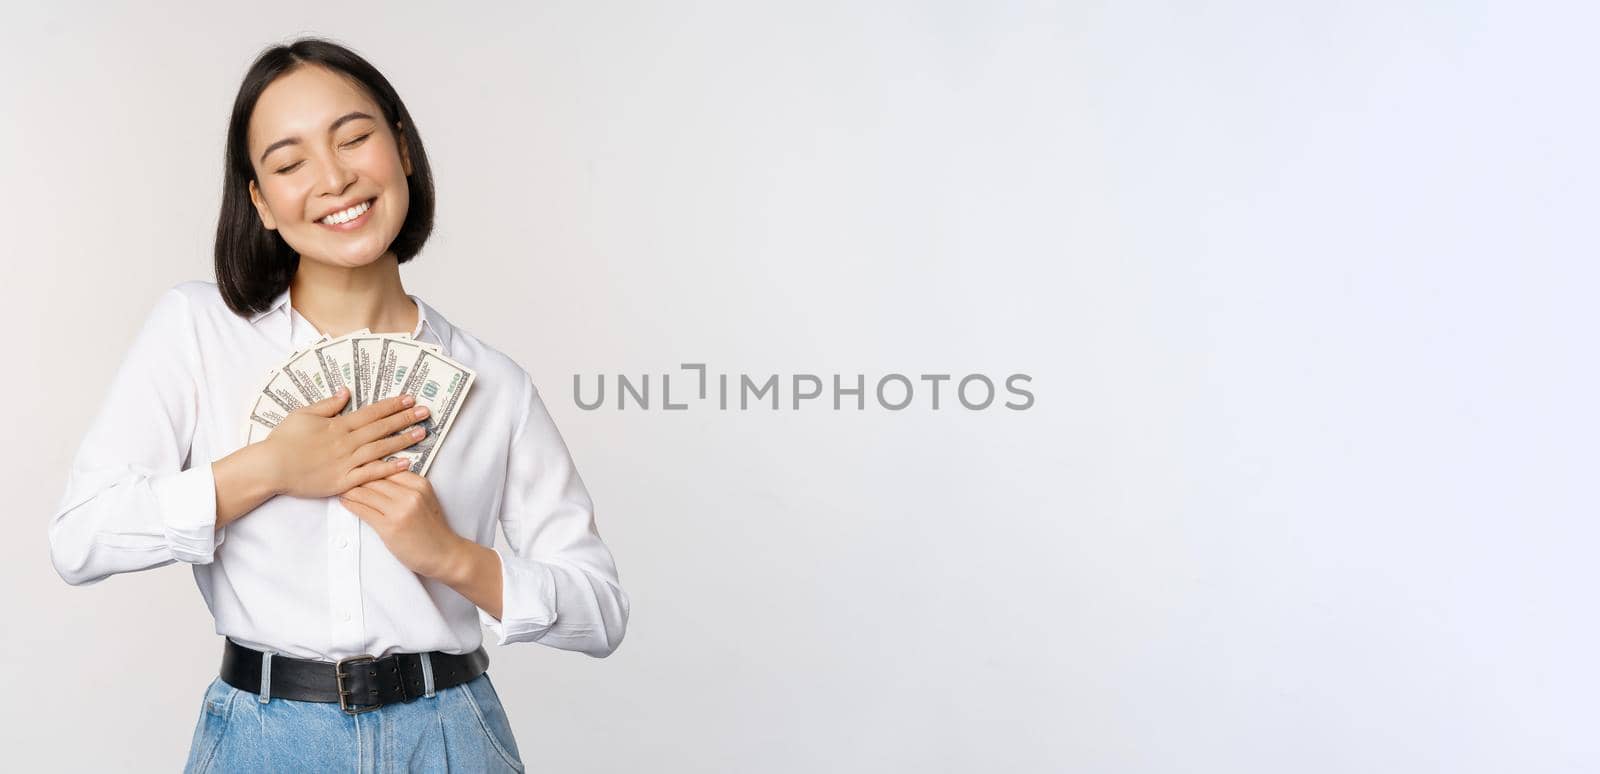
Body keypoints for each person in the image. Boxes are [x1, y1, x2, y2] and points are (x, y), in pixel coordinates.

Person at [47, 37, 630, 772]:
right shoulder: (197, 330)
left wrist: (452, 557)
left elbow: (601, 611)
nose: (333, 178)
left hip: (449, 734)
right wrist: (268, 468)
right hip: (262, 740)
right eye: (289, 164)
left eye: (354, 138)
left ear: (402, 148)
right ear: (259, 200)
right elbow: (79, 539)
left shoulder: (492, 383)